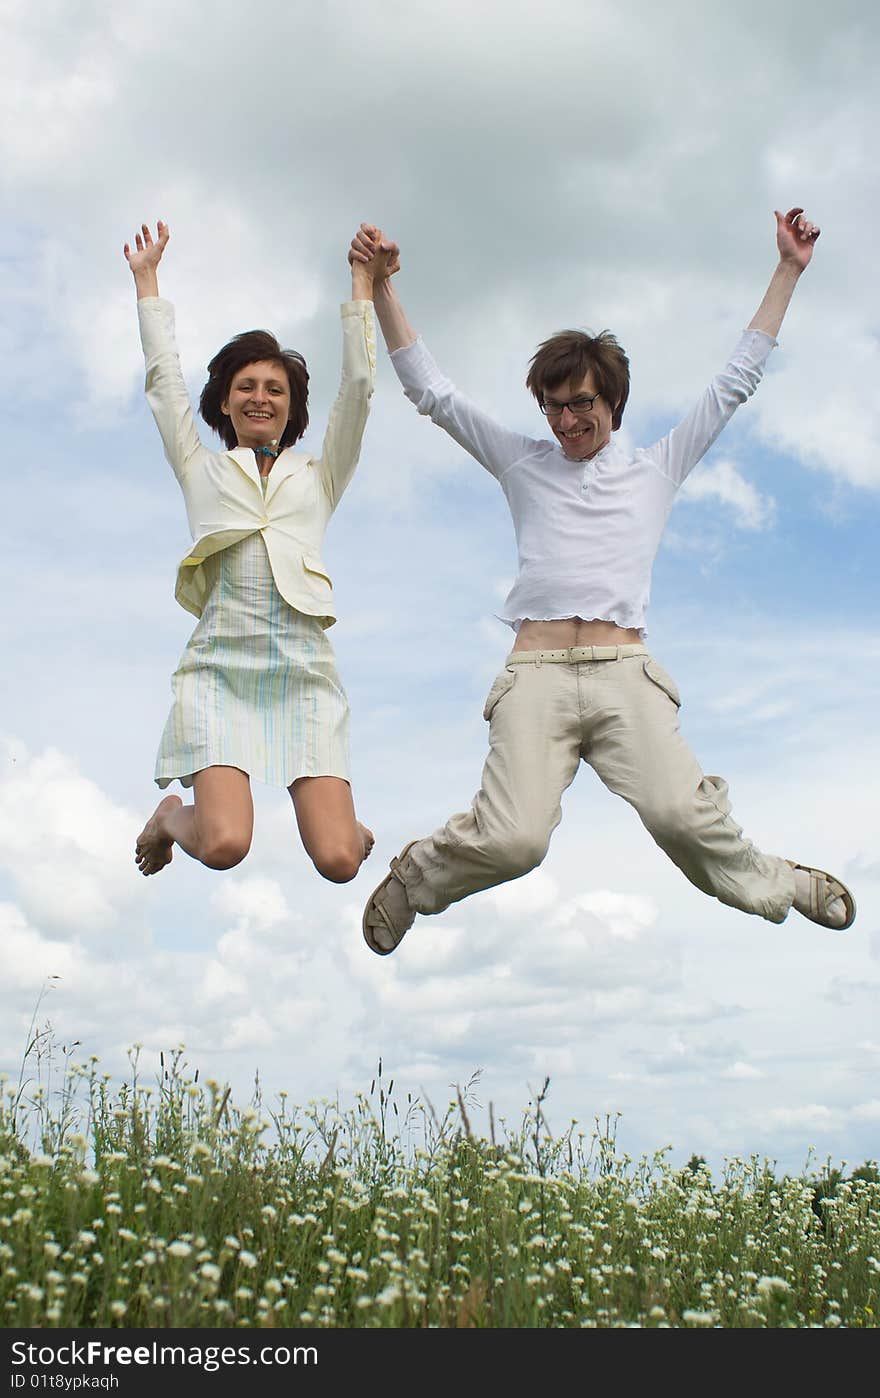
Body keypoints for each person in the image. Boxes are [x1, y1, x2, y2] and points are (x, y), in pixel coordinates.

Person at [351, 207, 856, 953]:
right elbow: (434, 395)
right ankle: (416, 877)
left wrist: (787, 269)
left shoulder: (657, 468)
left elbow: (737, 378)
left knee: (681, 818)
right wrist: (385, 288)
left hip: (624, 673)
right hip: (537, 674)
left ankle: (785, 882)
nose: (565, 420)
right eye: (553, 407)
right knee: (517, 840)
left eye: (580, 403)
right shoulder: (523, 464)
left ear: (611, 401)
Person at [126, 220, 394, 882]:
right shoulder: (202, 470)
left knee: (338, 862)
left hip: (302, 672)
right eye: (246, 386)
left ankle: (343, 831)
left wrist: (362, 281)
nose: (260, 397)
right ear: (225, 401)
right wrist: (147, 282)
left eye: (275, 389)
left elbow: (359, 390)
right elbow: (165, 386)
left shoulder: (318, 475)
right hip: (221, 672)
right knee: (224, 846)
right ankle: (169, 817)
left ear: (291, 408)